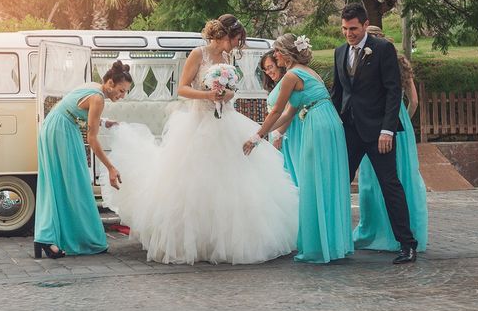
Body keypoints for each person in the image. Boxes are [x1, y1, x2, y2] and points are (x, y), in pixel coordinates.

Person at [101, 14, 299, 265]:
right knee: (194, 184)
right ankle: (196, 242)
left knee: (234, 182)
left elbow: (232, 91)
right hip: (198, 123)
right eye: (236, 39)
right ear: (225, 35)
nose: (237, 45)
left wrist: (226, 94)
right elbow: (182, 88)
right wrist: (207, 95)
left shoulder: (228, 58)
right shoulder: (199, 54)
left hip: (227, 122)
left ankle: (227, 241)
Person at [244, 34, 353, 264]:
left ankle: (319, 248)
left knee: (314, 181)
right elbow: (289, 113)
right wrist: (264, 135)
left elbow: (276, 112)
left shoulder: (292, 75)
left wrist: (256, 137)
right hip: (328, 121)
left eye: (275, 53)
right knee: (325, 180)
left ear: (284, 54)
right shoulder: (305, 71)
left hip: (318, 124)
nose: (274, 56)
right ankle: (331, 244)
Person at [331, 3, 418, 265]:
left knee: (390, 185)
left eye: (354, 28)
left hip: (379, 132)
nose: (349, 33)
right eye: (345, 29)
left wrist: (387, 129)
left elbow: (394, 91)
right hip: (350, 131)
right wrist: (333, 126)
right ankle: (334, 241)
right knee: (338, 183)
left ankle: (407, 244)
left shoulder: (382, 49)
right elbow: (338, 93)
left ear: (365, 24)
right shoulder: (339, 52)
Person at [33, 61, 132, 259]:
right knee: (74, 184)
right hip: (62, 131)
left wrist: (104, 121)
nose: (122, 96)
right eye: (121, 91)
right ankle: (80, 238)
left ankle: (45, 237)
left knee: (56, 183)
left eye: (125, 92)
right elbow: (92, 139)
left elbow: (74, 107)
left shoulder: (93, 86)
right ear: (110, 83)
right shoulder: (98, 98)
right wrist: (111, 168)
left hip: (54, 126)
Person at [353, 26, 428, 252]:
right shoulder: (401, 62)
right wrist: (402, 119)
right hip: (397, 122)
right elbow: (413, 102)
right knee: (400, 177)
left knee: (376, 182)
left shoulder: (373, 60)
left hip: (382, 125)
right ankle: (403, 234)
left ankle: (380, 231)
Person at [261, 52, 297, 184]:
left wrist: (279, 134)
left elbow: (289, 109)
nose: (268, 72)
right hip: (276, 131)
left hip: (286, 132)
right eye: (266, 69)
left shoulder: (288, 81)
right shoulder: (277, 84)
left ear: (279, 64)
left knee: (288, 168)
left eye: (270, 67)